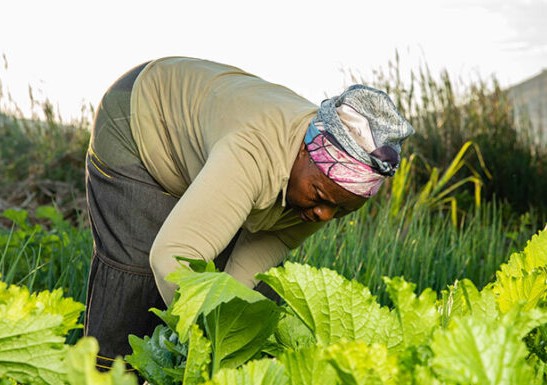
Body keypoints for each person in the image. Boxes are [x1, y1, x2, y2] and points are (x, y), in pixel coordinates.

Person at [83, 57, 414, 371]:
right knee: (139, 271)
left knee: (255, 294)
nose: (324, 215)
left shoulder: (324, 188)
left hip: (211, 143)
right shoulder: (251, 153)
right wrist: (208, 348)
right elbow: (173, 256)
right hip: (140, 116)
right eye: (319, 198)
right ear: (304, 150)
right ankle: (102, 374)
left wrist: (227, 341)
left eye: (341, 210)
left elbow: (244, 272)